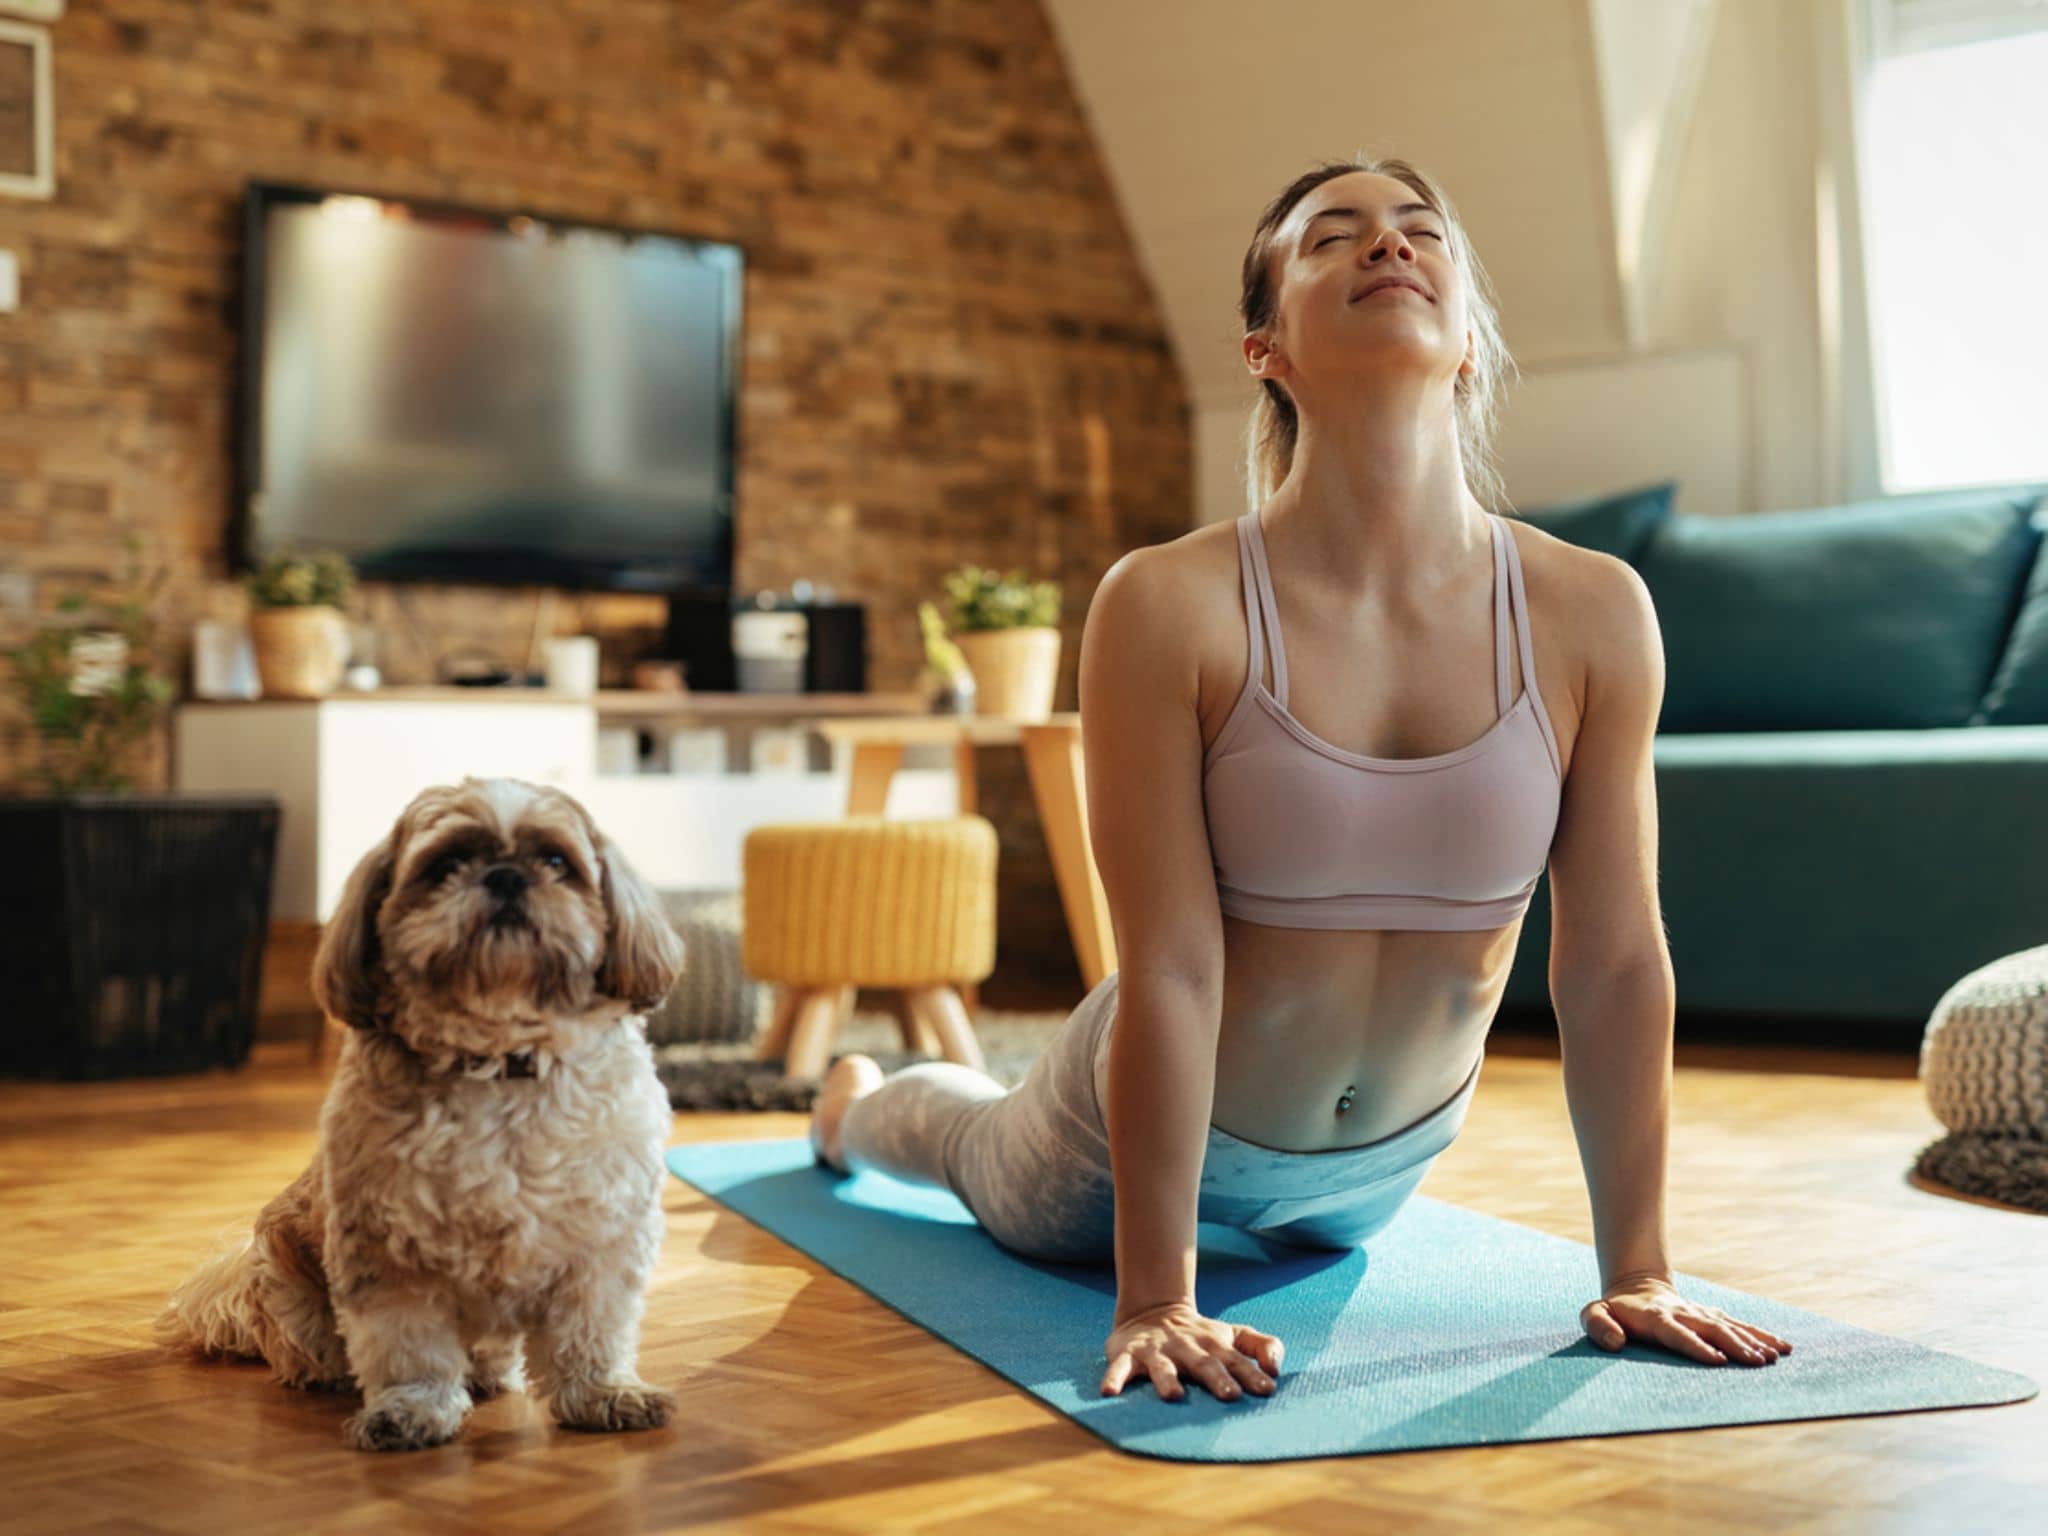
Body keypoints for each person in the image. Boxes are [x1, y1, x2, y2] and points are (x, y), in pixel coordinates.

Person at [809, 155, 1791, 1404]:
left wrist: (1637, 1268)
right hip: (1137, 1135)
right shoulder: (1168, 602)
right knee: (965, 1147)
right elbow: (1165, 960)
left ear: (1471, 340)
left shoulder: (1592, 610)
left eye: (1418, 231)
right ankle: (852, 1108)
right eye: (1334, 238)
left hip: (1377, 1175)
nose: (1387, 248)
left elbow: (1611, 959)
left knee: (1317, 1226)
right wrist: (1158, 1293)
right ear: (1262, 345)